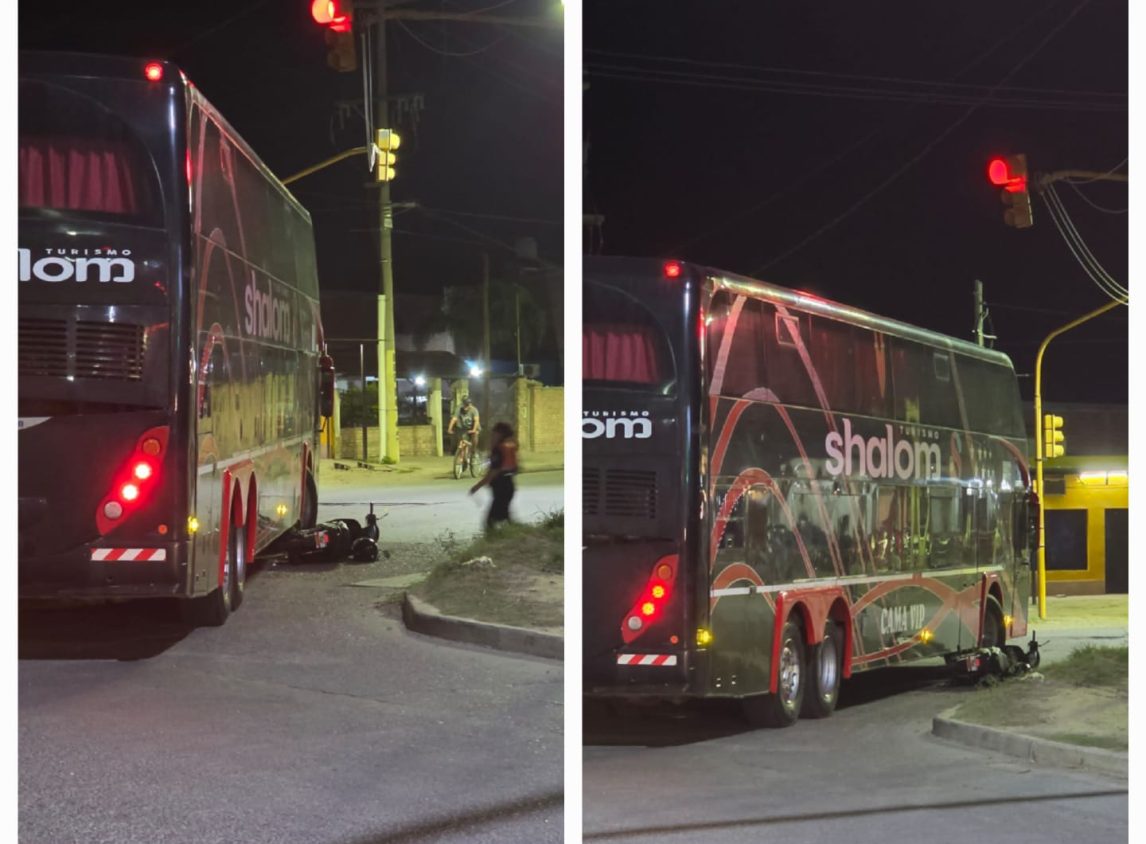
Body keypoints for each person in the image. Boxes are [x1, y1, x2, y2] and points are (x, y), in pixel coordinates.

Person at [470, 421, 519, 531]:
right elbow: (515, 468)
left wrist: (477, 487)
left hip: (501, 488)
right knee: (505, 517)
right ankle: (516, 536)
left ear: (500, 434)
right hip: (508, 486)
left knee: (490, 522)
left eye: (494, 434)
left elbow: (494, 472)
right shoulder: (510, 446)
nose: (492, 436)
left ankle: (504, 540)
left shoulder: (498, 449)